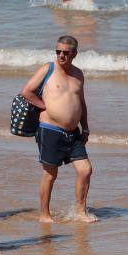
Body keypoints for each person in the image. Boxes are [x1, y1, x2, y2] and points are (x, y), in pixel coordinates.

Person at [20, 36, 95, 223]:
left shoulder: (78, 74)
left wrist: (85, 127)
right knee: (50, 173)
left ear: (74, 54)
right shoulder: (48, 69)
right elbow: (27, 91)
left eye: (66, 52)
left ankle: (80, 211)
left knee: (85, 170)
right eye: (58, 51)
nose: (61, 55)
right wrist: (45, 107)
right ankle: (44, 214)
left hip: (73, 132)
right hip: (50, 129)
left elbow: (82, 102)